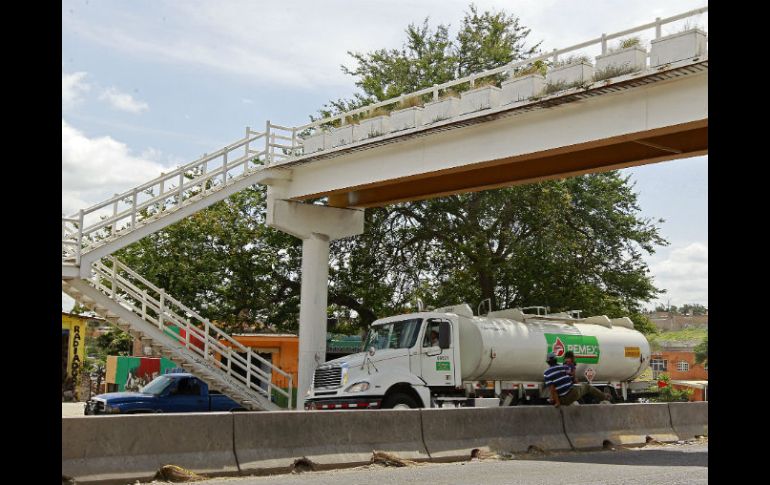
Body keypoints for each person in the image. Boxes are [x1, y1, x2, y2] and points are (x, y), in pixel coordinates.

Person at [543, 352, 611, 407]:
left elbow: (552, 389)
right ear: (556, 359)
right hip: (571, 393)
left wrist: (557, 402)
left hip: (562, 400)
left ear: (548, 362)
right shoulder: (564, 367)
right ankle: (604, 397)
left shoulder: (546, 373)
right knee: (587, 387)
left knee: (576, 390)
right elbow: (572, 374)